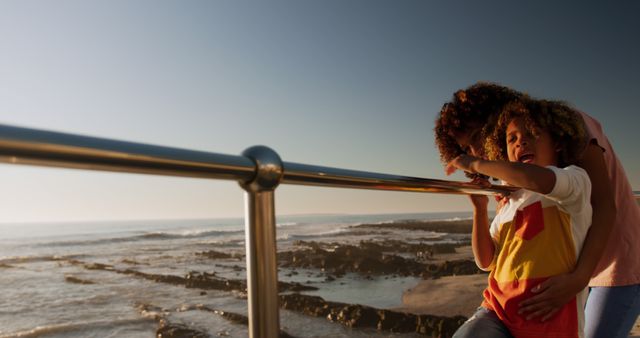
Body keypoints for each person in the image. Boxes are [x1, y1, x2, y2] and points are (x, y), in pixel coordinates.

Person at [435, 82, 640, 338]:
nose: (475, 151)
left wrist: (579, 279)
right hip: (568, 261)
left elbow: (606, 207)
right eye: (465, 149)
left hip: (617, 257)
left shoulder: (565, 125)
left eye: (477, 136)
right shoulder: (518, 160)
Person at [448, 98, 592, 337]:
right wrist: (480, 210)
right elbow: (485, 260)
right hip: (497, 311)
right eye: (511, 138)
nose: (521, 141)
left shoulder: (574, 181)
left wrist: (476, 163)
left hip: (550, 322)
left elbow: (537, 179)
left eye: (532, 133)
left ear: (556, 142)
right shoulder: (508, 201)